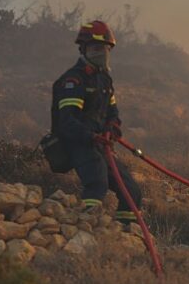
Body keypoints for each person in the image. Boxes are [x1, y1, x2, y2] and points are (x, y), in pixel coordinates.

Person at [50, 20, 141, 224]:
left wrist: (113, 128)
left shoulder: (104, 80)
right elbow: (67, 121)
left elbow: (113, 112)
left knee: (131, 191)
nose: (102, 53)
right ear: (84, 50)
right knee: (97, 184)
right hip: (78, 144)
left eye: (105, 48)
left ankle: (125, 234)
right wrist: (91, 136)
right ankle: (82, 227)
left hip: (100, 144)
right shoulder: (74, 81)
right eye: (96, 48)